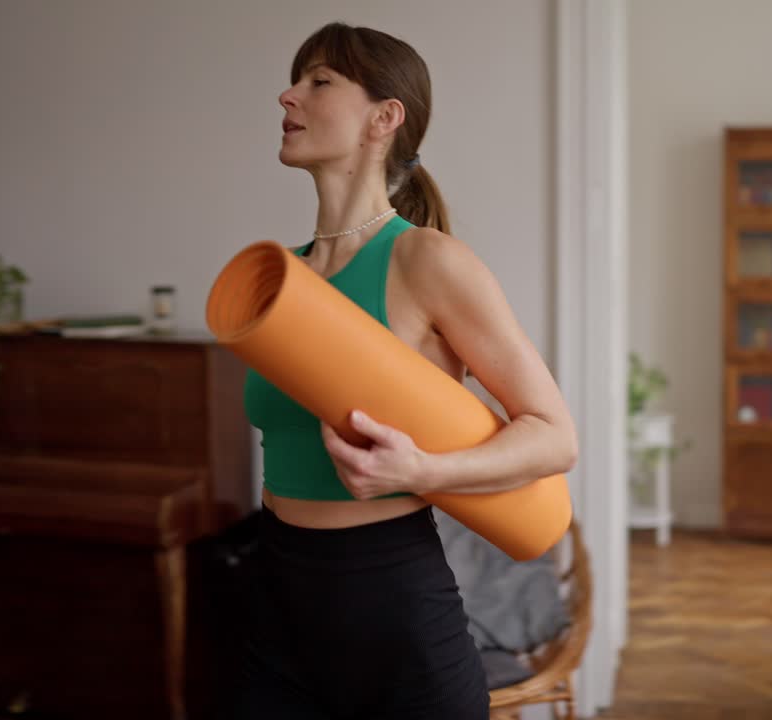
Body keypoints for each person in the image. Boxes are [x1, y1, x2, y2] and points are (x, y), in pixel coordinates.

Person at [236, 21, 578, 720]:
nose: (288, 96)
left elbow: (554, 435)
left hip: (387, 597)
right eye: (296, 80)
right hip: (273, 592)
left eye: (318, 82)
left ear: (383, 118)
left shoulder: (427, 261)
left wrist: (422, 473)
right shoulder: (285, 279)